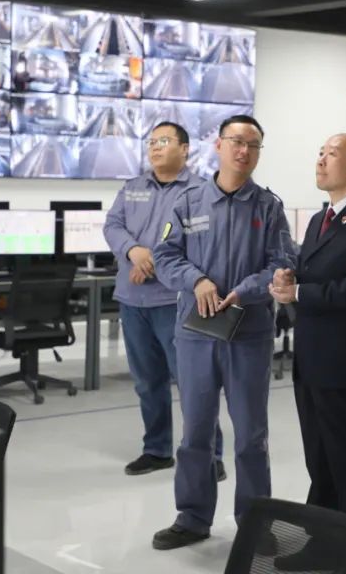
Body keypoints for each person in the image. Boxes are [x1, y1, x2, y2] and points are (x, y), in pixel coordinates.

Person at [150, 115, 291, 550]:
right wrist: (197, 281)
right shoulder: (187, 201)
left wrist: (245, 290)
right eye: (236, 141)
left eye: (253, 144)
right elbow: (165, 255)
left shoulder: (268, 207)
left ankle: (255, 523)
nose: (243, 151)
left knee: (251, 435)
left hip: (248, 333)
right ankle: (192, 518)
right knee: (196, 432)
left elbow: (282, 263)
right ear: (218, 145)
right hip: (196, 333)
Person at [269, 134, 346, 547]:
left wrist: (299, 293)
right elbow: (319, 273)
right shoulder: (321, 218)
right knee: (319, 459)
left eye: (332, 154)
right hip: (312, 358)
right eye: (320, 152)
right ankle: (320, 541)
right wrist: (291, 278)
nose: (321, 160)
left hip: (344, 362)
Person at [102, 121, 225, 481]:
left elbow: (203, 239)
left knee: (193, 382)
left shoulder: (201, 191)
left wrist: (153, 259)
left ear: (185, 149)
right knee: (147, 381)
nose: (155, 147)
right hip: (133, 300)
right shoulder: (133, 187)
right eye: (152, 141)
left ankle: (209, 454)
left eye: (164, 141)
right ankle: (157, 450)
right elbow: (112, 226)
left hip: (176, 301)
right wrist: (133, 251)